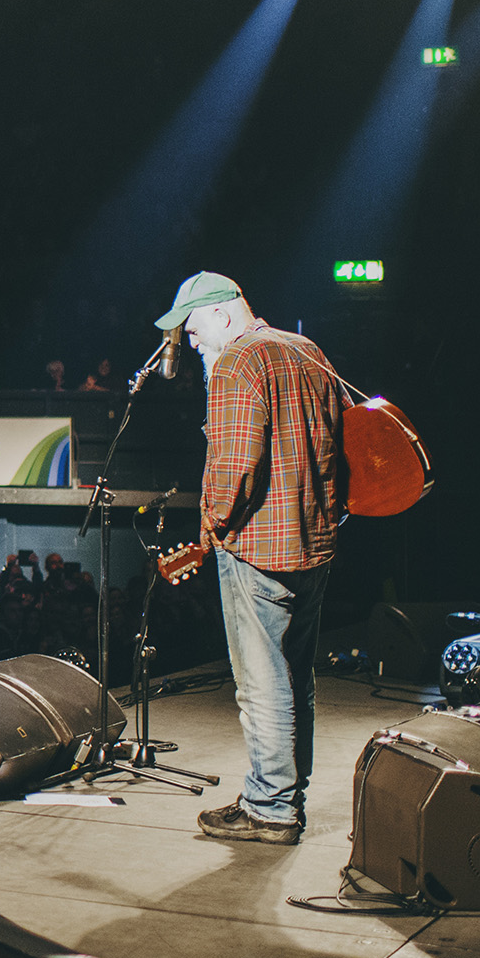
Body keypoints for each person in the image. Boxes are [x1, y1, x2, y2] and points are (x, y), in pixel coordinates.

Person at [159, 272, 345, 846]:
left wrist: (211, 524)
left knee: (262, 685)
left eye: (192, 328)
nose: (189, 342)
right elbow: (340, 443)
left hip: (257, 546)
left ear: (220, 313)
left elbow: (236, 463)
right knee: (296, 678)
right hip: (313, 542)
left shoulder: (239, 362)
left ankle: (270, 809)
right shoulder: (306, 349)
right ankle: (287, 794)